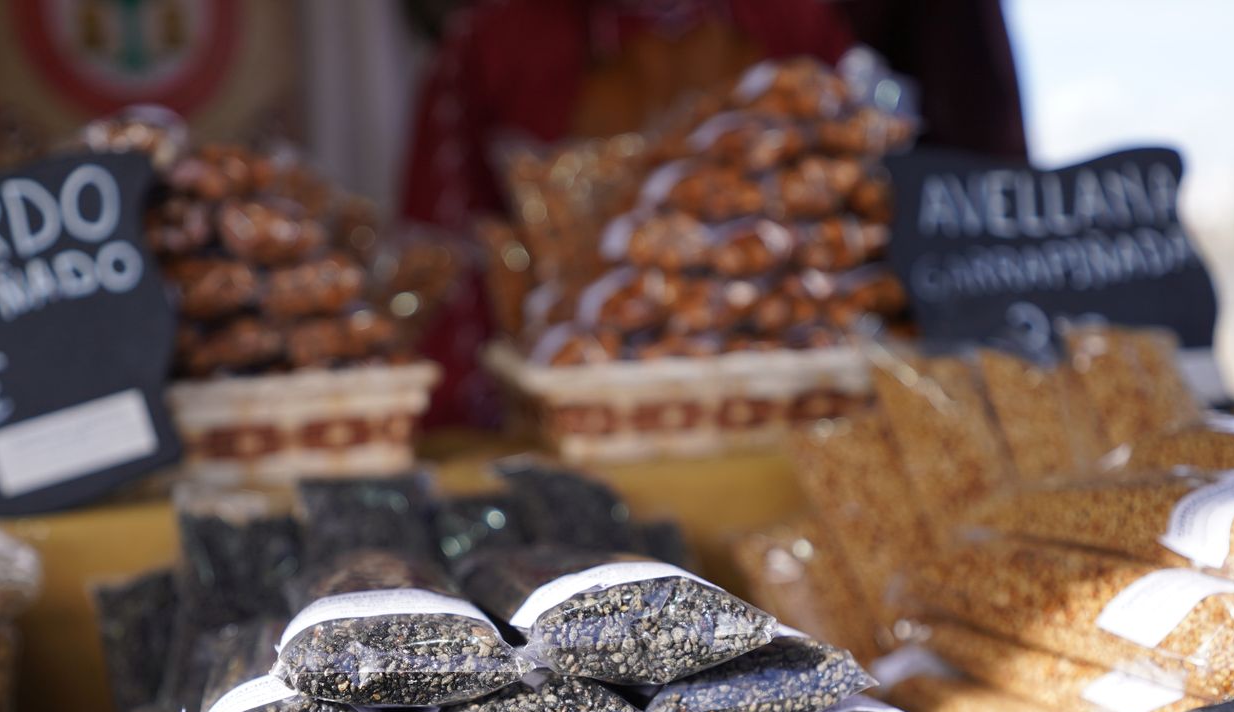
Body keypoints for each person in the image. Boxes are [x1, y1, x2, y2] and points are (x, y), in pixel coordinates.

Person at [400, 0, 1026, 426]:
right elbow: (445, 258)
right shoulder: (500, 41)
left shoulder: (791, 22)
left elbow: (871, 191)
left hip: (797, 395)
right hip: (577, 403)